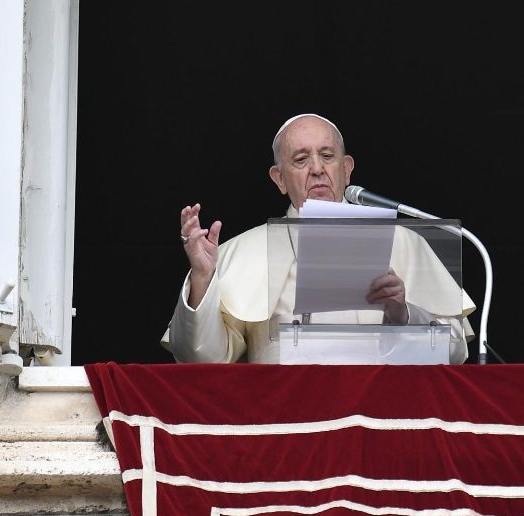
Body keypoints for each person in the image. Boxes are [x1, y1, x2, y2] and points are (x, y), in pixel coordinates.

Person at [162, 113, 475, 363]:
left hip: (382, 421)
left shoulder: (407, 244)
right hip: (287, 424)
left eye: (327, 156)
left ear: (347, 169)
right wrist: (203, 280)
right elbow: (202, 360)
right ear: (279, 178)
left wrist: (402, 314)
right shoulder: (245, 251)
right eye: (300, 159)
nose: (316, 168)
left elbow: (455, 352)